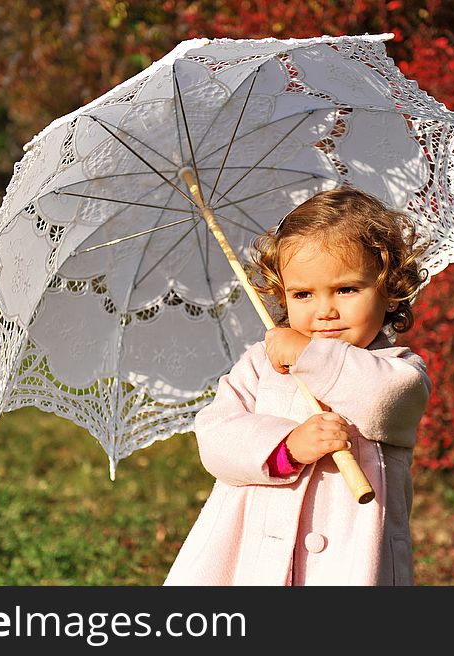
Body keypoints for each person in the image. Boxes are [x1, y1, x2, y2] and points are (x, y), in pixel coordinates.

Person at [164, 187, 431, 586]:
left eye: (346, 289)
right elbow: (216, 436)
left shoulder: (399, 370)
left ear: (391, 290)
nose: (324, 310)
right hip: (251, 561)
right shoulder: (261, 362)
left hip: (350, 564)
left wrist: (309, 354)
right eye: (303, 294)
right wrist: (287, 447)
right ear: (281, 294)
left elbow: (383, 402)